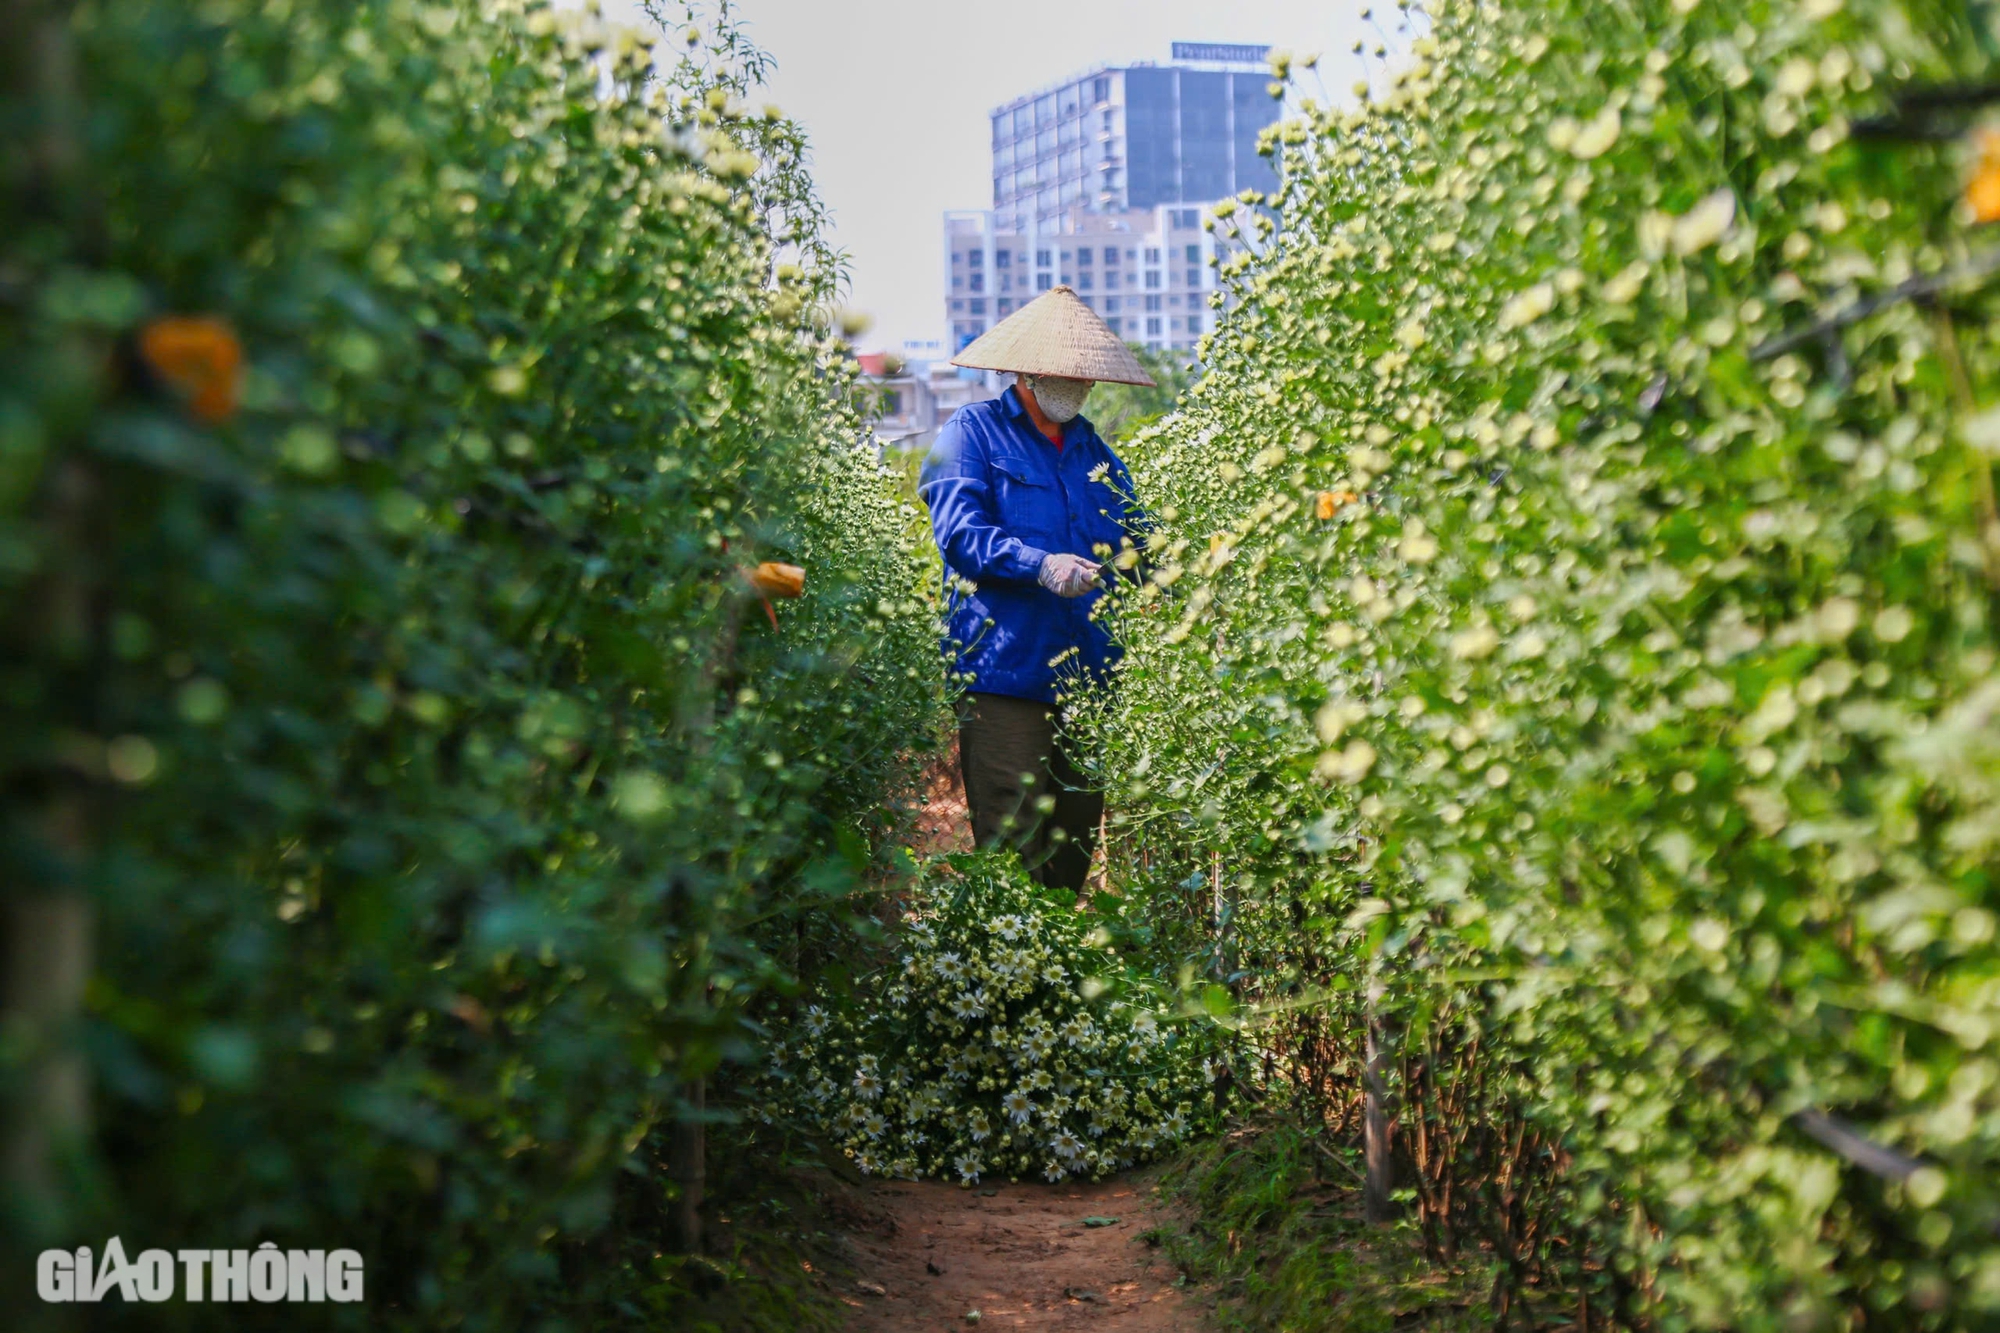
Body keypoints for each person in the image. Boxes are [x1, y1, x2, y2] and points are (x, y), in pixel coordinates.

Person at [918, 285, 1155, 892]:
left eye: (1085, 378)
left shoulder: (1092, 449)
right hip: (1006, 678)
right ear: (1025, 370)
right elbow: (960, 533)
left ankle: (1062, 979)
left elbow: (1140, 543)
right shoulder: (970, 433)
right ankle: (1010, 983)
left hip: (1087, 681)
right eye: (1064, 374)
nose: (1077, 386)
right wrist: (1041, 565)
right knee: (1011, 852)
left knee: (1073, 846)